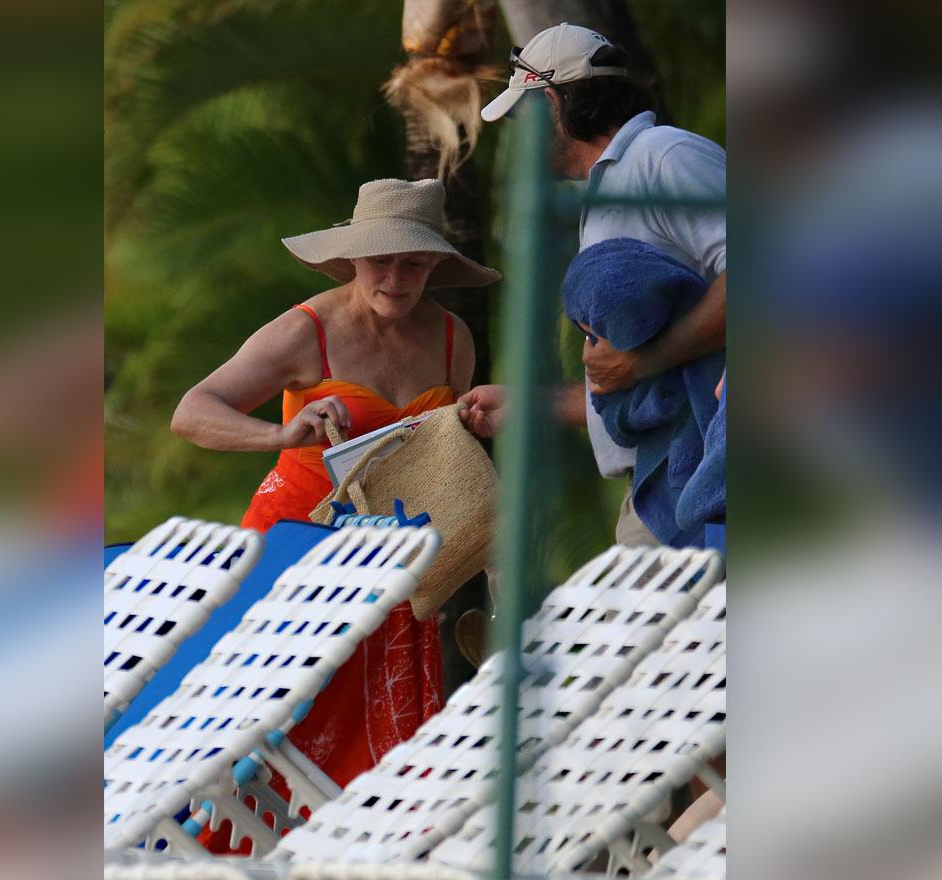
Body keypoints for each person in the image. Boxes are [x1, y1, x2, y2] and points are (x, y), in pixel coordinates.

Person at [169, 178, 499, 811]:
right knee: (272, 735)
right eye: (381, 261)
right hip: (299, 549)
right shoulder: (305, 331)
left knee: (383, 741)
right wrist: (280, 432)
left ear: (437, 263)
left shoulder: (454, 336)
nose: (396, 279)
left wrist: (490, 553)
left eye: (414, 263)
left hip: (399, 567)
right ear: (353, 256)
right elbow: (191, 412)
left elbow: (448, 458)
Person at [462, 22, 727, 547]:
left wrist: (647, 360)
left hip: (701, 472)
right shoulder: (607, 187)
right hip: (659, 481)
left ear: (562, 102)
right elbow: (628, 375)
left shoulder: (664, 155)